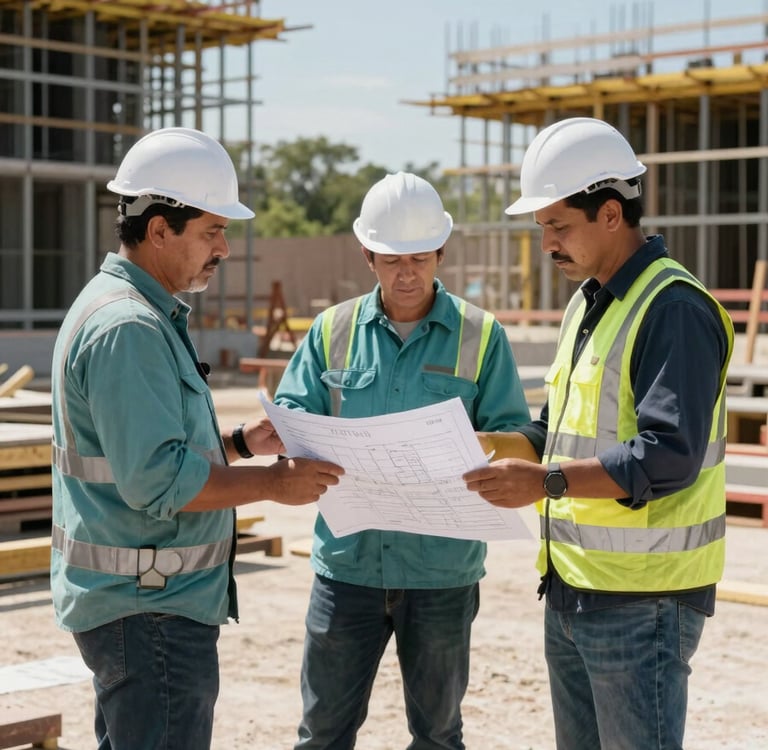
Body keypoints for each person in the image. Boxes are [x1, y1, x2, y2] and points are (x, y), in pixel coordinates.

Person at [50, 126, 344, 750]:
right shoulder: (128, 327)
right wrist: (273, 484)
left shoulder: (131, 311)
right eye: (212, 231)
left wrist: (239, 442)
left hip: (141, 605)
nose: (224, 249)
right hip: (148, 611)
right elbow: (157, 481)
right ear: (160, 229)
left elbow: (149, 449)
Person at [463, 117, 735, 750]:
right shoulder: (589, 301)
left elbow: (669, 456)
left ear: (611, 213)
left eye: (559, 226)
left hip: (644, 601)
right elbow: (558, 431)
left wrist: (545, 483)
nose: (547, 244)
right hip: (576, 588)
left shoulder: (672, 307)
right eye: (542, 229)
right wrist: (492, 448)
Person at [272, 171, 531, 749]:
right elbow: (290, 416)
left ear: (441, 251)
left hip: (441, 573)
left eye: (419, 257)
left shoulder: (482, 336)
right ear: (367, 255)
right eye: (391, 259)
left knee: (439, 734)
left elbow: (516, 436)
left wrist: (468, 450)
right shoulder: (331, 331)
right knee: (321, 733)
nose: (406, 273)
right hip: (348, 568)